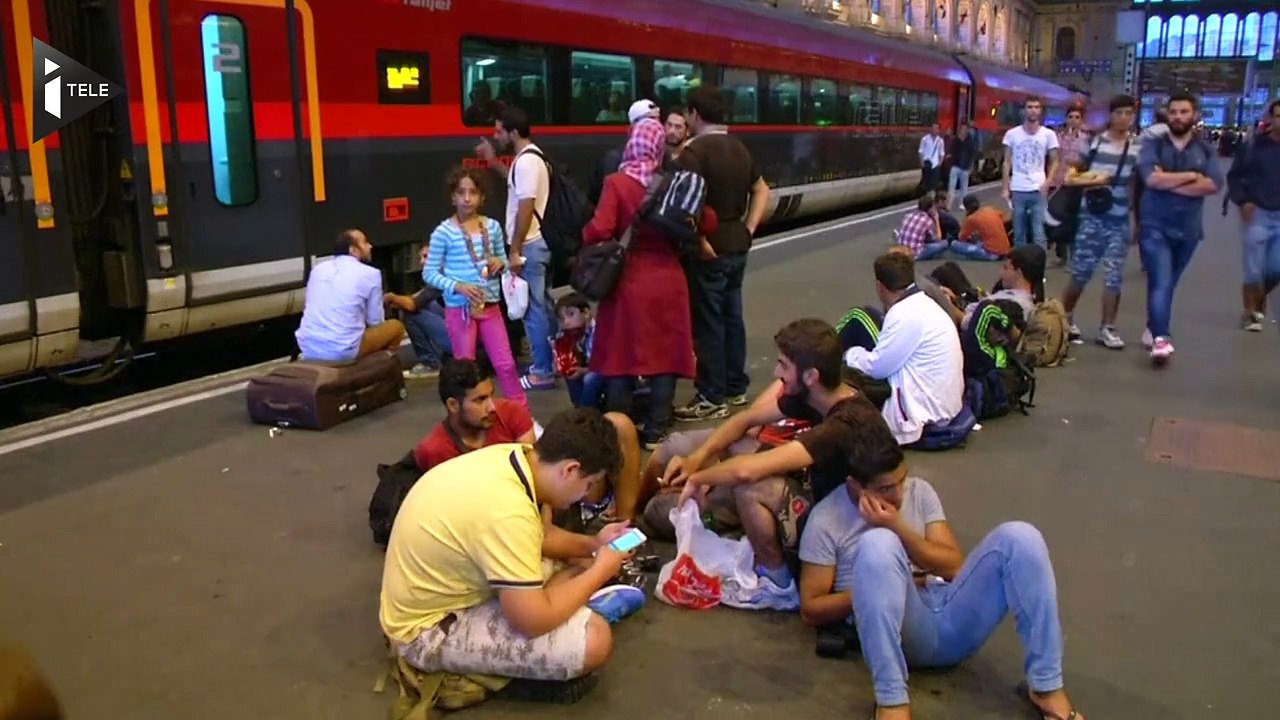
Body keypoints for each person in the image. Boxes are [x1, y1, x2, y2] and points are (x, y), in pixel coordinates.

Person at [797, 429, 1086, 720]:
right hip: (900, 630)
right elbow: (812, 609)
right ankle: (892, 702)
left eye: (901, 480)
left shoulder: (919, 492)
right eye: (885, 488)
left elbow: (954, 567)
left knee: (1021, 537)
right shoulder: (826, 520)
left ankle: (1047, 687)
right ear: (856, 486)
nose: (898, 494)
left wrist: (898, 526)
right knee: (877, 545)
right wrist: (884, 586)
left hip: (949, 609)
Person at [381, 408, 638, 702]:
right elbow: (532, 622)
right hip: (425, 629)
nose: (586, 494)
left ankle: (561, 601)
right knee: (594, 640)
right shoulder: (508, 512)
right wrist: (600, 571)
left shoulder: (521, 457)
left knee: (580, 563)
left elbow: (543, 536)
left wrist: (594, 545)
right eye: (589, 484)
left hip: (444, 581)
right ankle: (512, 676)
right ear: (569, 469)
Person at [659, 319, 890, 609]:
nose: (775, 372)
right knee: (738, 445)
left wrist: (699, 477)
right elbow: (745, 419)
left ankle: (777, 583)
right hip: (828, 494)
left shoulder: (842, 425)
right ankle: (752, 534)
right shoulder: (825, 393)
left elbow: (747, 471)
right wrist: (696, 459)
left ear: (810, 376)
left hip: (847, 522)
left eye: (783, 365)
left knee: (749, 488)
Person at [584, 117, 717, 449]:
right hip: (668, 281)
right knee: (665, 358)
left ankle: (619, 429)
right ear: (659, 147)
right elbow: (708, 221)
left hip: (627, 282)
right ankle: (655, 432)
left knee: (621, 358)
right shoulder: (672, 181)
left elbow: (599, 229)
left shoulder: (616, 182)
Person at [413, 358, 646, 525]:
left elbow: (536, 471)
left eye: (490, 395)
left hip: (549, 492)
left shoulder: (510, 412)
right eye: (480, 400)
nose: (492, 406)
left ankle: (625, 529)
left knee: (619, 424)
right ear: (453, 405)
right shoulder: (435, 450)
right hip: (508, 517)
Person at [674, 85, 771, 422]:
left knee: (709, 322)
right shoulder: (739, 148)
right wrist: (749, 226)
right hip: (737, 242)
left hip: (710, 247)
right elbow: (762, 189)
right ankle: (735, 386)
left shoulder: (693, 153)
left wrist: (700, 242)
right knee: (732, 316)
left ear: (694, 115)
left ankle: (711, 395)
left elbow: (687, 205)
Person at [422, 167, 526, 408]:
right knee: (465, 369)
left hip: (490, 306)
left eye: (473, 192)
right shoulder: (443, 233)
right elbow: (429, 273)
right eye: (461, 192)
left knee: (505, 364)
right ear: (453, 197)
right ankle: (467, 417)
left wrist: (500, 263)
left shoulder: (492, 227)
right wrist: (457, 286)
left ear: (482, 197)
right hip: (460, 309)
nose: (467, 198)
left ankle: (520, 414)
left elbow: (504, 261)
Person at [1135, 93, 1224, 364]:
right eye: (1173, 112)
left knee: (1167, 283)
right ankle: (1161, 339)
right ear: (1167, 115)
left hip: (1188, 230)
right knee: (1161, 280)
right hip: (1154, 225)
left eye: (1184, 112)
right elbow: (1150, 179)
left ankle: (1153, 326)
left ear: (1194, 115)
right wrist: (1190, 177)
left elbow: (1213, 184)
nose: (1178, 116)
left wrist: (1169, 182)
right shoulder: (1153, 145)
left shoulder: (1205, 149)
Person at [475, 108, 558, 391]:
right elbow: (516, 184)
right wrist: (493, 162)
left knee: (532, 310)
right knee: (543, 305)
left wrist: (515, 250)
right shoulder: (531, 158)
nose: (496, 136)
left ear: (513, 133)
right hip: (536, 243)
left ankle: (541, 371)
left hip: (530, 245)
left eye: (499, 131)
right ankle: (555, 361)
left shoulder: (526, 163)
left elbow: (525, 207)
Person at [844, 252, 965, 446]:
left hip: (919, 415)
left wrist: (850, 355)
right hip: (945, 405)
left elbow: (878, 368)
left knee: (856, 318)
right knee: (868, 316)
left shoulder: (903, 314)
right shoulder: (924, 303)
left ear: (880, 286)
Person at [1061, 95, 1142, 350]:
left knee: (1113, 277)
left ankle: (1107, 327)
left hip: (1118, 220)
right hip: (1091, 217)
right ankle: (1065, 317)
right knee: (1081, 273)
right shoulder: (1093, 143)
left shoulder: (1137, 148)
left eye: (1129, 113)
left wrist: (1135, 220)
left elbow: (1134, 186)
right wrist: (1094, 180)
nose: (1124, 118)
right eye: (1119, 113)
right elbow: (1071, 176)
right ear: (1111, 114)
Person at [295, 229, 405, 362]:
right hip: (342, 350)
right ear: (353, 250)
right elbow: (375, 322)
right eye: (365, 243)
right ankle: (376, 370)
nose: (370, 246)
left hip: (308, 348)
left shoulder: (318, 269)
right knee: (395, 327)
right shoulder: (371, 274)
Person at [1226, 99, 1280, 332]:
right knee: (1253, 268)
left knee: (1275, 267)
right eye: (1278, 116)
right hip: (1258, 212)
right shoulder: (1253, 146)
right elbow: (1235, 175)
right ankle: (1250, 312)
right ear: (1271, 118)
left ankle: (1259, 302)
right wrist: (1243, 200)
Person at [385, 243, 453, 379]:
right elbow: (418, 298)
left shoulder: (441, 279)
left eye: (426, 257)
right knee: (428, 304)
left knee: (410, 313)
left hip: (462, 339)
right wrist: (399, 300)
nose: (422, 262)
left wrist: (390, 297)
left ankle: (430, 363)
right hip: (466, 332)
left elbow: (412, 305)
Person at [1002, 96, 1061, 249]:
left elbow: (1055, 160)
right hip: (1018, 189)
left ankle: (1038, 271)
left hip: (1038, 189)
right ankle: (1020, 269)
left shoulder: (1049, 135)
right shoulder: (1012, 134)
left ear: (1040, 111)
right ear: (1024, 110)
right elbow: (1007, 161)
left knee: (1038, 232)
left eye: (1036, 107)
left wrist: (1048, 182)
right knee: (1019, 233)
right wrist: (1004, 187)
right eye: (1029, 107)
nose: (1033, 110)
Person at [552, 293, 603, 409]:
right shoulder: (571, 334)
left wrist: (583, 370)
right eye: (562, 318)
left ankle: (585, 412)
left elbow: (606, 363)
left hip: (607, 370)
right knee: (570, 373)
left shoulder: (599, 331)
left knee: (590, 378)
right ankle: (579, 407)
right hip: (589, 367)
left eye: (571, 314)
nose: (566, 322)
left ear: (586, 313)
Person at [950, 194, 1010, 261]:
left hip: (992, 253)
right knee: (979, 240)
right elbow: (1002, 218)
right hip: (1005, 250)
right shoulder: (990, 209)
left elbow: (962, 237)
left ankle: (968, 255)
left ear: (966, 208)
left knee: (954, 244)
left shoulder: (971, 219)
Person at [893, 196, 948, 260]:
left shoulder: (908, 215)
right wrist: (937, 219)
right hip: (914, 253)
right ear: (930, 209)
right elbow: (938, 238)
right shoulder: (927, 220)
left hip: (901, 249)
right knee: (944, 243)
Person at [945, 122, 978, 211]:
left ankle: (962, 203)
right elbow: (951, 150)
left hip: (965, 167)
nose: (963, 130)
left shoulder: (970, 141)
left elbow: (972, 154)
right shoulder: (956, 139)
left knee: (964, 187)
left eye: (964, 129)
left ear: (967, 130)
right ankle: (949, 205)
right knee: (951, 186)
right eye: (961, 129)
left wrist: (971, 166)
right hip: (955, 165)